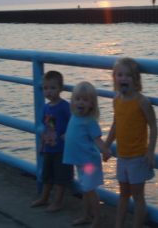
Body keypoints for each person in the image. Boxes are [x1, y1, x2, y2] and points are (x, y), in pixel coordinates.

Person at [105, 57, 158, 228]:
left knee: (138, 196)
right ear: (114, 78)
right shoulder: (116, 100)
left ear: (136, 80)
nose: (123, 79)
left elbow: (154, 127)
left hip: (137, 158)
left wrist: (150, 151)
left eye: (128, 75)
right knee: (123, 194)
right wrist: (106, 145)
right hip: (122, 156)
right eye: (119, 75)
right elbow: (115, 125)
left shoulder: (142, 102)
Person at [63, 81, 111, 228]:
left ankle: (96, 219)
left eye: (85, 100)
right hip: (80, 161)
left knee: (90, 190)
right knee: (85, 189)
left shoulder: (90, 121)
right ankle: (85, 215)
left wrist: (105, 150)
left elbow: (97, 139)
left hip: (89, 163)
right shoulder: (74, 116)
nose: (81, 103)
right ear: (73, 101)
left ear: (92, 104)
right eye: (77, 99)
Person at [31, 71, 73, 212]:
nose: (49, 91)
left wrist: (68, 134)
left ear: (60, 88)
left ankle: (58, 201)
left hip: (62, 149)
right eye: (45, 88)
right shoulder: (46, 107)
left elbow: (73, 122)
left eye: (52, 88)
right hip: (48, 147)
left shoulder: (65, 106)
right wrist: (41, 145)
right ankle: (44, 197)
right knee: (47, 175)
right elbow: (44, 127)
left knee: (61, 177)